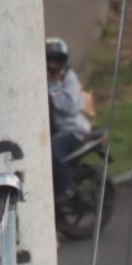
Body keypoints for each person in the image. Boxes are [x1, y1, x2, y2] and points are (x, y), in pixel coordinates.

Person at [47, 38, 93, 199]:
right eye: (49, 60)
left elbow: (71, 106)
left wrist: (53, 94)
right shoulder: (43, 79)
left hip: (73, 130)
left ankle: (67, 188)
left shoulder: (68, 78)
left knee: (50, 149)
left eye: (56, 60)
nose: (52, 64)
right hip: (55, 130)